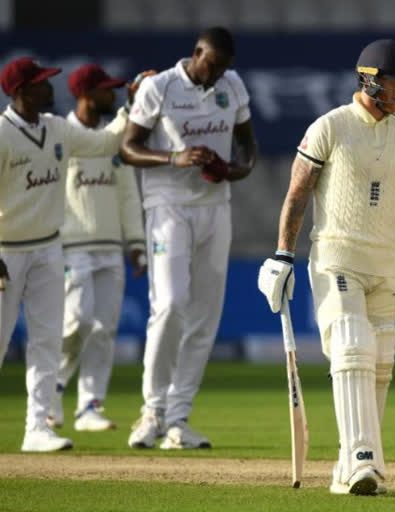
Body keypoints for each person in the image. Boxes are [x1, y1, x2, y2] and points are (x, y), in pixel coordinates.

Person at [258, 39, 395, 495]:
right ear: (370, 80)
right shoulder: (330, 126)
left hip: (388, 263)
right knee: (352, 346)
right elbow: (297, 193)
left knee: (381, 364)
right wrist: (282, 255)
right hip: (337, 256)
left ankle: (345, 466)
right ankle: (363, 463)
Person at [0, 57, 135, 451]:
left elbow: (106, 143)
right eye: (42, 84)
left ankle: (37, 428)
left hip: (48, 248)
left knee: (46, 340)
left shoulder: (57, 128)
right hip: (6, 253)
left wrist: (131, 106)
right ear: (22, 91)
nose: (51, 89)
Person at [120, 26, 258, 450]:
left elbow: (248, 150)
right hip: (168, 206)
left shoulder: (231, 85)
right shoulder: (159, 87)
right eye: (212, 65)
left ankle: (178, 419)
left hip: (215, 206)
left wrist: (233, 170)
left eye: (224, 69)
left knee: (204, 315)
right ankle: (152, 411)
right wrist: (175, 157)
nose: (216, 75)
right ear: (197, 52)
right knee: (171, 305)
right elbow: (127, 148)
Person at [46, 64, 148, 433]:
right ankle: (50, 393)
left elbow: (127, 194)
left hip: (110, 247)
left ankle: (89, 406)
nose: (112, 95)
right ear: (87, 95)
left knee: (104, 328)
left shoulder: (112, 142)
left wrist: (136, 242)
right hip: (72, 247)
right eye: (107, 90)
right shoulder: (63, 137)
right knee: (76, 322)